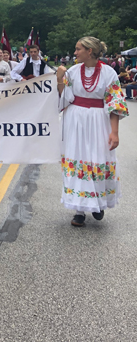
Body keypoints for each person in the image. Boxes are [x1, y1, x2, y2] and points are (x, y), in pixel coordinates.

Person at [57, 36, 128, 227]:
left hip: (99, 120)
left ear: (90, 51)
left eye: (78, 49)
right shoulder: (72, 71)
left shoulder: (109, 73)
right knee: (78, 158)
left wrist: (114, 132)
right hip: (75, 121)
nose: (75, 53)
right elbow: (65, 99)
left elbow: (115, 104)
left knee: (98, 159)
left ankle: (98, 202)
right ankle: (79, 210)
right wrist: (59, 80)